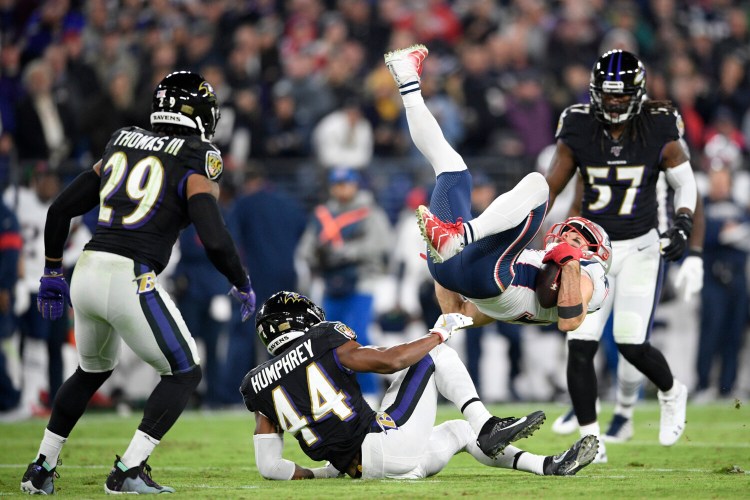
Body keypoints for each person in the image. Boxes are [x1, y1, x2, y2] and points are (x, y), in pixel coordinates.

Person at [20, 71, 257, 495]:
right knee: (184, 371)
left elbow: (60, 209)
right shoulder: (198, 155)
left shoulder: (121, 139)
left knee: (91, 371)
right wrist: (240, 280)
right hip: (130, 274)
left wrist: (52, 270)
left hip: (88, 268)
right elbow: (214, 236)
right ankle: (129, 469)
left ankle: (40, 468)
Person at [241, 291, 598, 480]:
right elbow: (390, 361)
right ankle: (488, 425)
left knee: (460, 431)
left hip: (367, 469)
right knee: (436, 354)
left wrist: (320, 474)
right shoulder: (321, 338)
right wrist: (439, 331)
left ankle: (547, 465)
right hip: (384, 446)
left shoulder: (256, 384)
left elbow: (270, 467)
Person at [384, 45, 611, 335]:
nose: (566, 237)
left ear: (596, 253)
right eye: (568, 234)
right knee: (452, 169)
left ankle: (458, 237)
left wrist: (571, 261)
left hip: (490, 276)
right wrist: (442, 268)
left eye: (577, 239)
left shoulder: (593, 273)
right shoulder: (538, 266)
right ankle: (408, 82)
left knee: (539, 184)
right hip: (459, 274)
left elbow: (569, 320)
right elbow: (458, 315)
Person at [543, 50, 703, 462]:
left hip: (642, 248)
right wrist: (524, 227)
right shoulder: (577, 125)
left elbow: (686, 185)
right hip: (593, 250)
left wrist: (684, 224)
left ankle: (671, 391)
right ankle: (590, 439)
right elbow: (550, 188)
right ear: (595, 93)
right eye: (608, 96)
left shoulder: (659, 125)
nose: (614, 104)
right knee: (579, 345)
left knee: (631, 343)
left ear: (638, 93)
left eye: (621, 96)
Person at [296, 167, 391, 402]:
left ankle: (369, 393)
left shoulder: (369, 211)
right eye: (337, 184)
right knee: (330, 341)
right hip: (330, 283)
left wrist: (345, 252)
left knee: (358, 337)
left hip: (361, 280)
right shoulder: (323, 214)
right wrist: (317, 255)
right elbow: (305, 249)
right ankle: (337, 396)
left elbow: (382, 244)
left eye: (345, 183)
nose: (341, 188)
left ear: (355, 185)